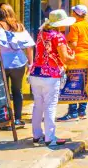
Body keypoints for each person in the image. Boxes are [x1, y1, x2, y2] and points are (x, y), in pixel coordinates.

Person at [29, 9, 76, 146]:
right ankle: (50, 137)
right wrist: (72, 56)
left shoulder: (41, 33)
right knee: (50, 105)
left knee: (38, 105)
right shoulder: (58, 36)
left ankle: (37, 134)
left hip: (36, 73)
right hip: (51, 74)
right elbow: (65, 58)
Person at [0, 3, 35, 129]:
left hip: (1, 63)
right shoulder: (19, 26)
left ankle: (4, 120)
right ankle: (17, 119)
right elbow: (29, 47)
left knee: (3, 93)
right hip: (18, 63)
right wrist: (31, 63)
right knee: (17, 91)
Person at [57, 5, 88, 122]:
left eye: (73, 12)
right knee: (84, 83)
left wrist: (65, 45)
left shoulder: (75, 27)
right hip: (87, 58)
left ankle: (72, 112)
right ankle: (82, 111)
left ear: (76, 14)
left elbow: (73, 44)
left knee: (72, 83)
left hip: (76, 58)